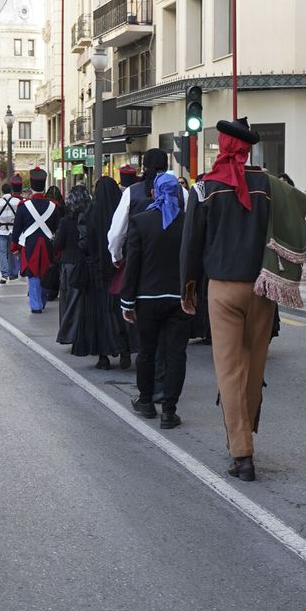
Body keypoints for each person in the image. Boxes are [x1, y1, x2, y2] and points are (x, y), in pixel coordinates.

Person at [180, 117, 306, 482]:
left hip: (222, 288)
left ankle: (242, 452)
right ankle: (246, 433)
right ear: (247, 148)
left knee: (229, 371)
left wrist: (188, 287)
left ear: (222, 145)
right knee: (253, 367)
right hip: (261, 287)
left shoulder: (204, 188)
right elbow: (297, 218)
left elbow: (191, 245)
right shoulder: (269, 186)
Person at [120, 172, 191, 428]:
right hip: (180, 298)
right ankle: (169, 411)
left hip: (147, 297)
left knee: (147, 352)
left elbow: (133, 266)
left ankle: (146, 401)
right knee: (176, 355)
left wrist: (127, 302)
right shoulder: (187, 223)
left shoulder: (141, 222)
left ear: (154, 192)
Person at [74, 175, 130, 369]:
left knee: (98, 313)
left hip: (96, 272)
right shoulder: (122, 212)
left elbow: (85, 242)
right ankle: (125, 351)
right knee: (119, 310)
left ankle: (103, 356)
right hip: (119, 269)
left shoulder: (91, 214)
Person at [12, 168, 60, 314]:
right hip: (47, 243)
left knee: (33, 274)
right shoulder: (54, 206)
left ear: (31, 186)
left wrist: (14, 246)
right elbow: (58, 228)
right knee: (46, 273)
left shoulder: (23, 206)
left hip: (30, 244)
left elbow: (17, 228)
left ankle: (36, 305)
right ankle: (42, 301)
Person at [55, 183, 92, 346]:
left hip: (69, 264)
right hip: (88, 263)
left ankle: (69, 334)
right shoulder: (92, 219)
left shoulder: (65, 221)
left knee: (68, 301)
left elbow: (57, 244)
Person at [0, 177, 20, 283]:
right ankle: (13, 273)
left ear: (2, 191)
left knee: (2, 252)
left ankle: (4, 274)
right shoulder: (17, 202)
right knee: (13, 251)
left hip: (0, 230)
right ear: (11, 191)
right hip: (13, 230)